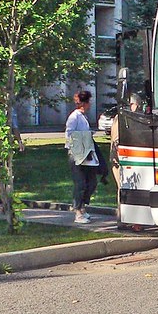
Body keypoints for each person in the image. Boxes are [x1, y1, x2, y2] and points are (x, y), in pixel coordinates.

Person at [65, 90, 99, 224]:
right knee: (80, 183)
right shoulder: (74, 117)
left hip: (86, 152)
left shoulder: (83, 117)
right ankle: (78, 211)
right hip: (77, 154)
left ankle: (83, 207)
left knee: (91, 182)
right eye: (89, 102)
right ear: (85, 103)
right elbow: (69, 134)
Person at [0, 107, 25, 211]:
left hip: (4, 145)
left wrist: (19, 141)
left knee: (2, 173)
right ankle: (1, 201)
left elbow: (15, 127)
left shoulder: (10, 109)